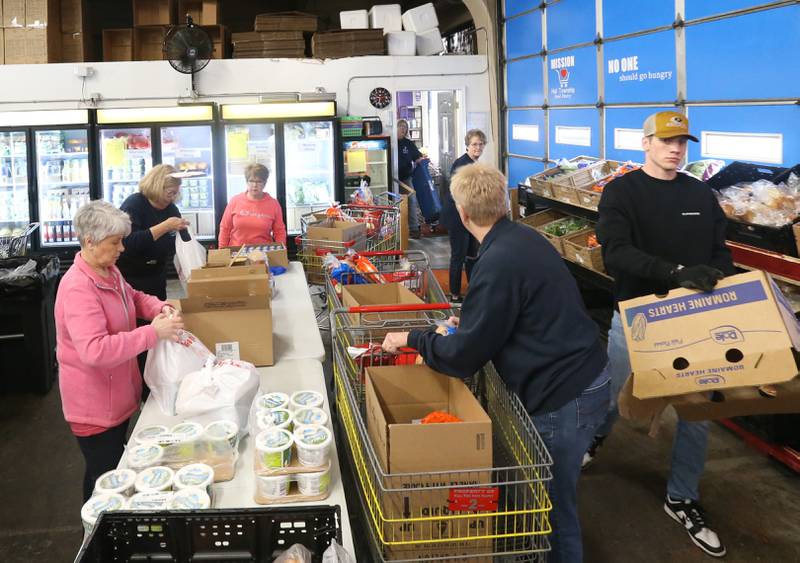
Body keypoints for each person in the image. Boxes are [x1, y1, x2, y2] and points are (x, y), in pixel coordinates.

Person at [382, 164, 610, 563]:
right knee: (547, 497)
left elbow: (465, 357)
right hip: (586, 373)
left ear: (463, 214)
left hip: (562, 392)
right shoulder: (521, 237)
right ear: (503, 202)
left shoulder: (497, 261)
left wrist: (413, 338)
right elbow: (513, 312)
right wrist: (467, 322)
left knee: (549, 509)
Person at [591, 111, 734, 558]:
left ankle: (682, 497)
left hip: (695, 320)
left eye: (682, 142)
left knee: (698, 412)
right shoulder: (621, 192)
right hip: (638, 319)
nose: (676, 149)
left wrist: (722, 279)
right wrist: (675, 273)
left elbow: (719, 250)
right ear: (646, 143)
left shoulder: (700, 194)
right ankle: (595, 436)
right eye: (667, 141)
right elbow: (617, 254)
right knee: (617, 393)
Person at [55, 200, 184, 502]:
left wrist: (159, 307)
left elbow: (134, 298)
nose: (122, 249)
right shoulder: (77, 288)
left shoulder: (109, 271)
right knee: (105, 480)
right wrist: (152, 333)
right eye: (115, 242)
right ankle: (96, 536)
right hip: (95, 408)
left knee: (112, 469)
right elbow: (94, 350)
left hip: (117, 398)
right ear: (89, 242)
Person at [117, 164, 189, 300]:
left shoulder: (171, 209)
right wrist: (165, 226)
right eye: (170, 193)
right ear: (157, 187)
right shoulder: (134, 205)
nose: (172, 198)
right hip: (132, 276)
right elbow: (129, 242)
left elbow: (178, 241)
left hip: (157, 274)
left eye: (176, 193)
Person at [442, 129, 485, 303]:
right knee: (459, 256)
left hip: (469, 217)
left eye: (481, 144)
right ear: (467, 145)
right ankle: (454, 294)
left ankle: (473, 291)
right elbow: (457, 194)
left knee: (472, 255)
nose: (478, 147)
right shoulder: (462, 164)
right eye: (474, 144)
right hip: (458, 217)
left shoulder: (474, 163)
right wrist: (465, 219)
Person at [219, 163, 287, 248]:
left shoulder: (273, 204)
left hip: (263, 254)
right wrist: (221, 251)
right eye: (251, 181)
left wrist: (282, 252)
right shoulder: (235, 201)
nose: (255, 185)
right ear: (247, 182)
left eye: (259, 181)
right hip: (236, 253)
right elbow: (225, 228)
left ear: (265, 183)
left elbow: (279, 232)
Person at [397, 119, 424, 239]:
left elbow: (418, 157)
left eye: (405, 127)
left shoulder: (408, 143)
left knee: (412, 201)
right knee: (395, 205)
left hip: (406, 178)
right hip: (393, 179)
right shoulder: (391, 141)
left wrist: (422, 162)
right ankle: (396, 230)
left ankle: (414, 229)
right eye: (401, 126)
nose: (403, 129)